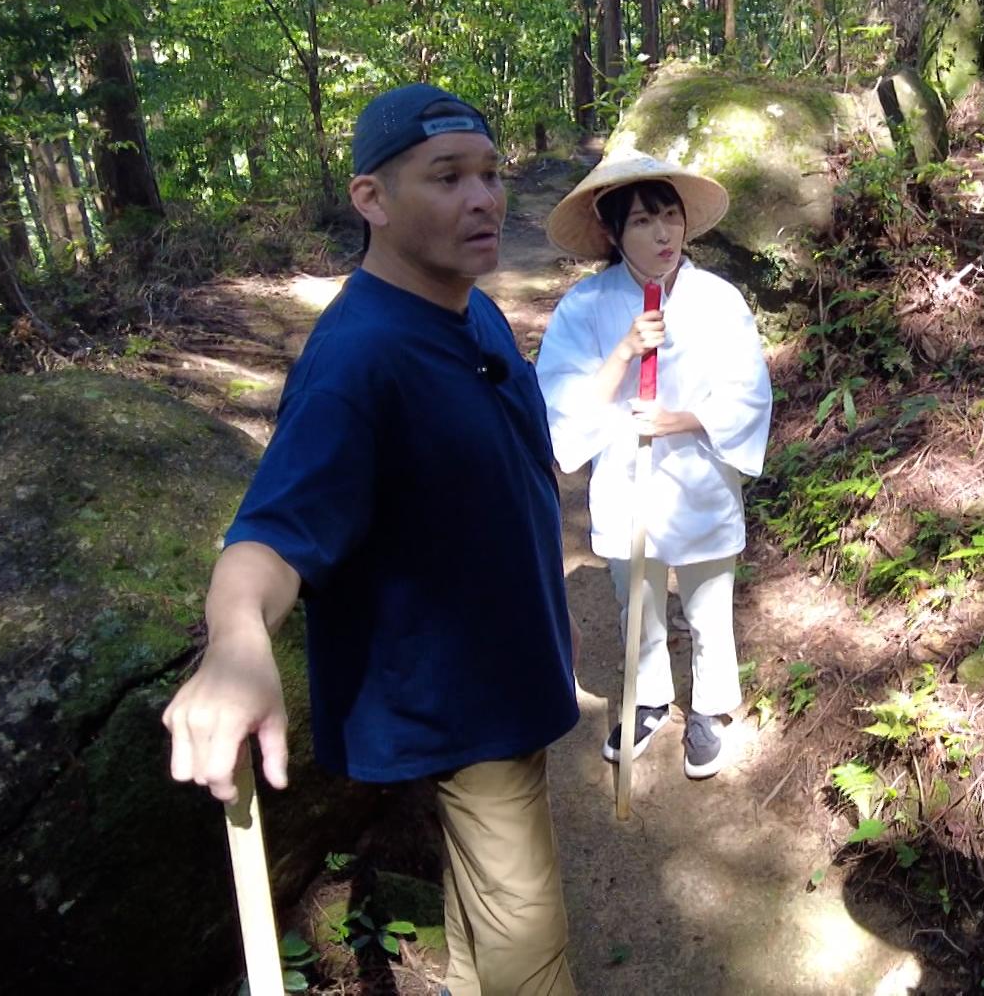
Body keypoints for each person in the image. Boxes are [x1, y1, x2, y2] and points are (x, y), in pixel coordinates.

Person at [160, 83, 579, 996]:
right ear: (372, 200)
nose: (484, 198)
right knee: (528, 944)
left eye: (490, 173)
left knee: (482, 909)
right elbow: (270, 534)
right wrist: (236, 642)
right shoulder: (358, 360)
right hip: (467, 703)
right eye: (447, 177)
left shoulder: (470, 308)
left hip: (501, 671)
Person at [537, 149, 772, 780]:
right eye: (642, 221)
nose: (662, 232)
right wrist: (623, 351)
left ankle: (711, 706)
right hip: (626, 480)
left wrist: (682, 419)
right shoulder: (584, 308)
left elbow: (747, 391)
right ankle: (649, 698)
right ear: (613, 233)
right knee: (634, 596)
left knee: (706, 600)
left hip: (699, 476)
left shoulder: (719, 300)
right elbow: (559, 401)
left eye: (669, 215)